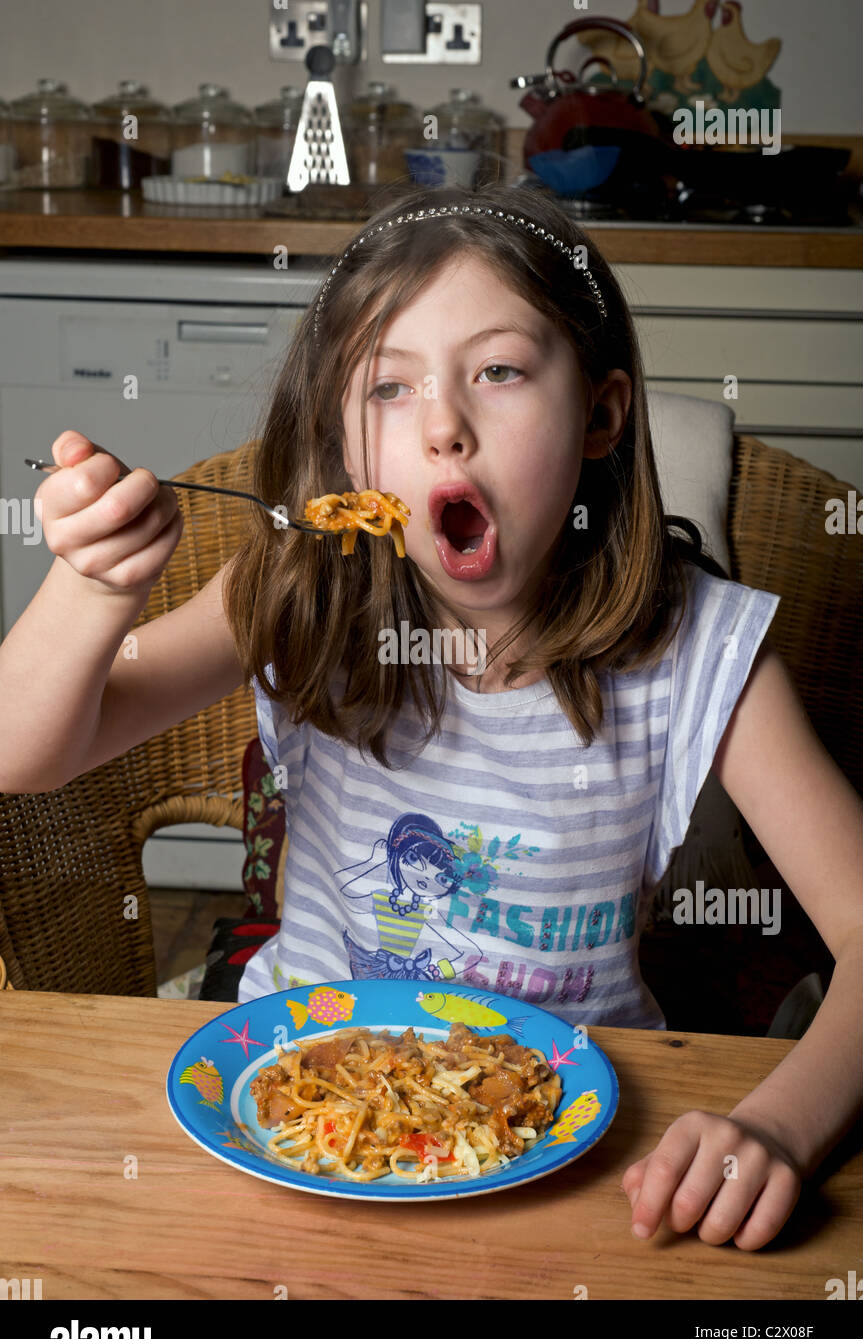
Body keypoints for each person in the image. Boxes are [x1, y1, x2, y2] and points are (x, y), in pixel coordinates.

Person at [3, 183, 863, 1253]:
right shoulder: (294, 593)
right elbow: (23, 751)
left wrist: (777, 1125)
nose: (445, 426)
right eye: (388, 388)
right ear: (344, 450)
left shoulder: (696, 650)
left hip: (576, 1145)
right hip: (293, 1128)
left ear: (600, 413)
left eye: (497, 371)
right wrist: (93, 588)